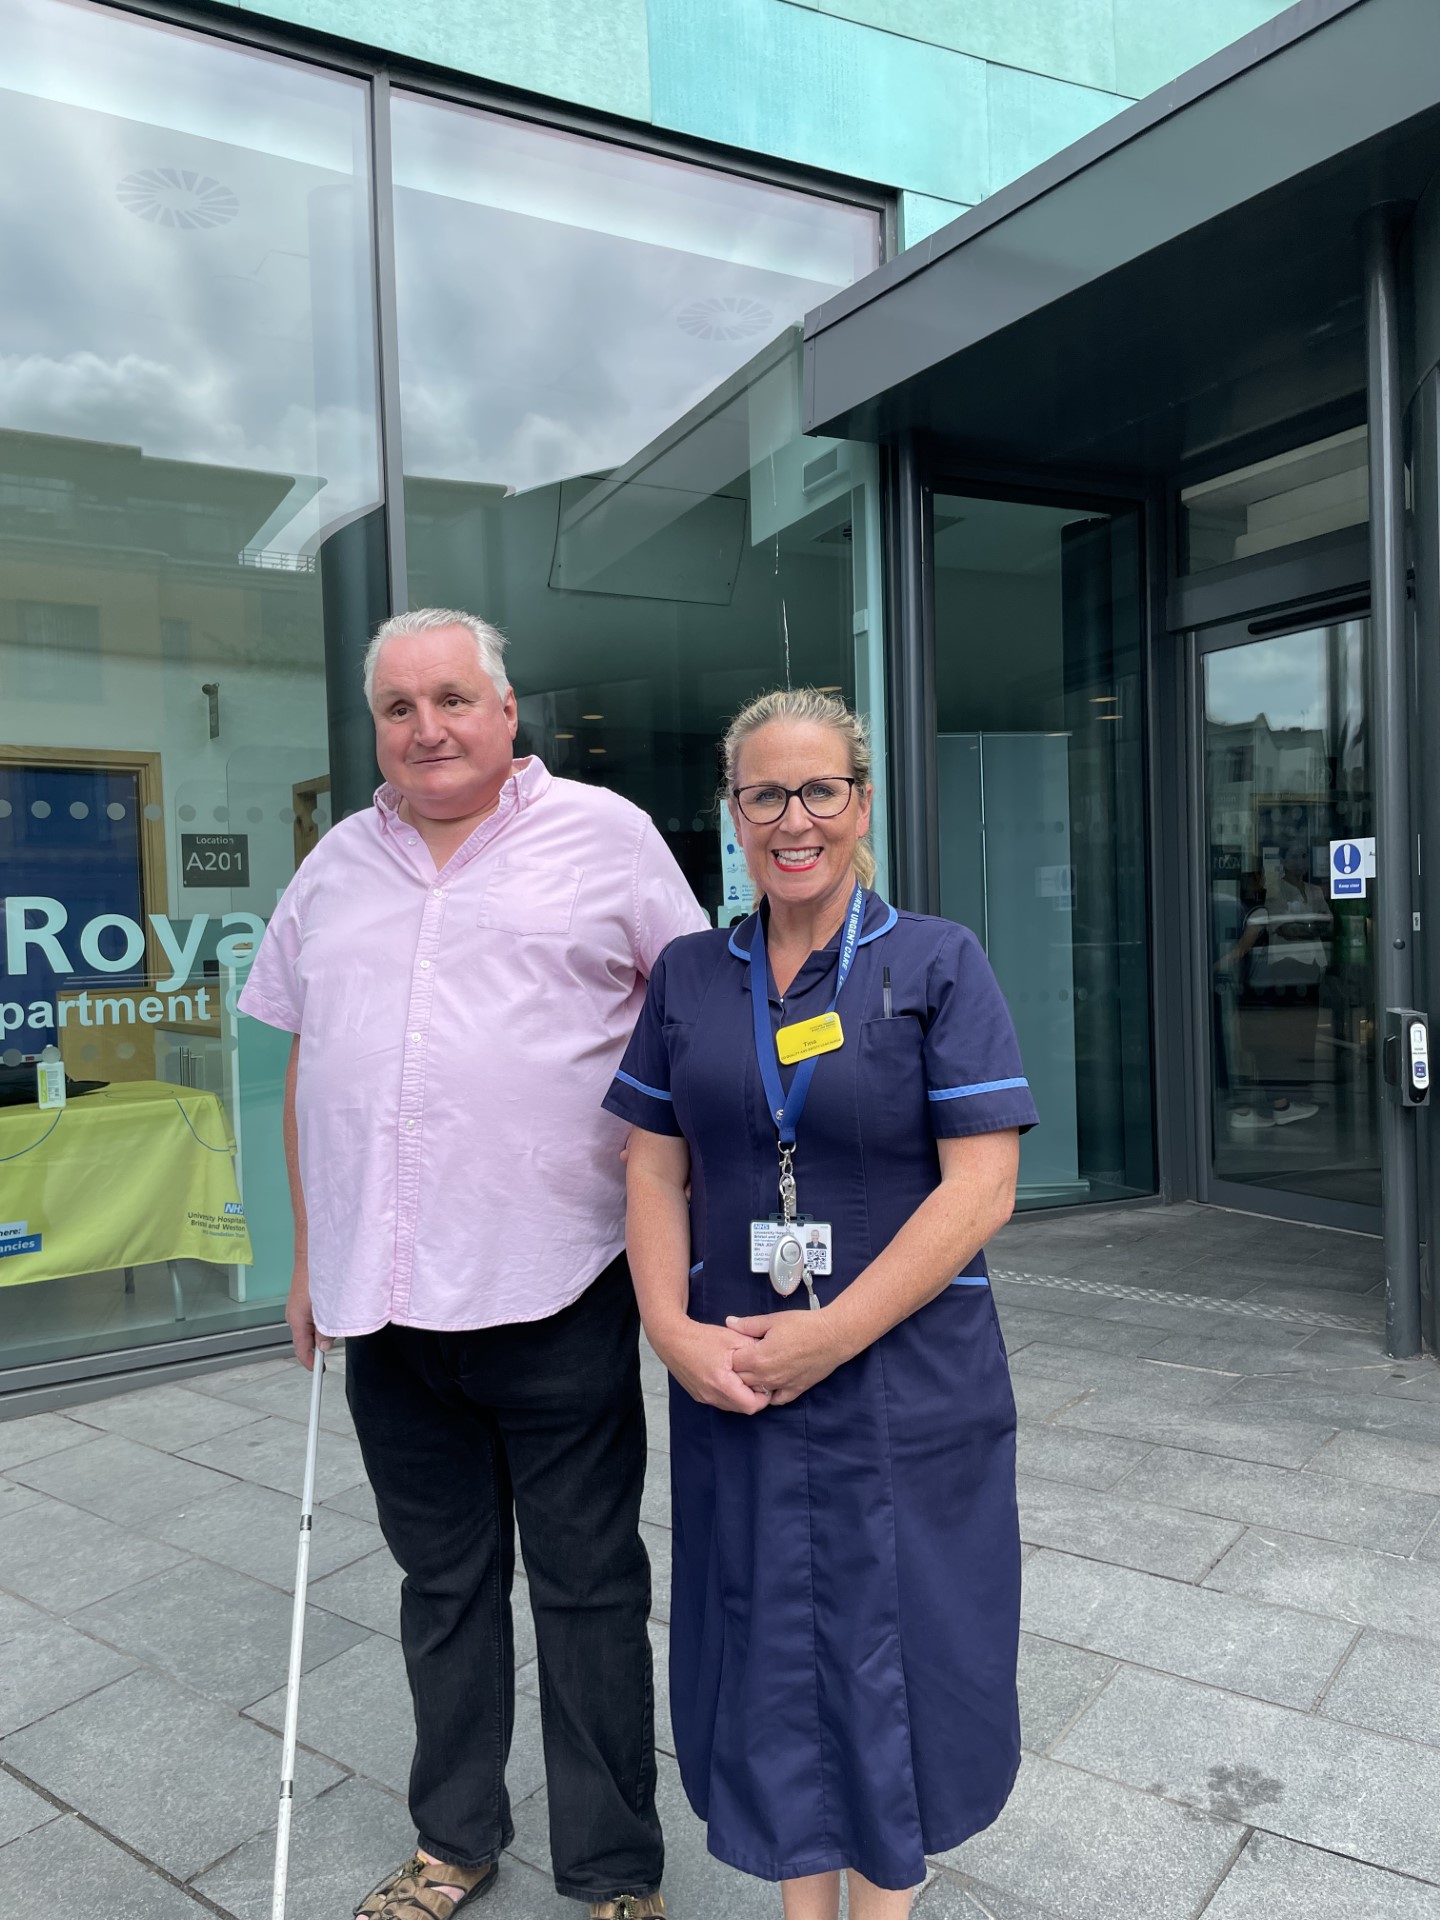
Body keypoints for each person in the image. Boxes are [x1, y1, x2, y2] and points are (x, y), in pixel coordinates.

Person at [237, 607, 706, 1920]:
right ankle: (454, 1841)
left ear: (506, 711)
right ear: (375, 726)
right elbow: (311, 1071)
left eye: (452, 699)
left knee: (588, 1587)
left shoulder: (606, 835)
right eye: (400, 707)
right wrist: (310, 1259)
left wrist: (688, 1247)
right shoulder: (335, 864)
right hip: (386, 1306)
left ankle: (613, 1870)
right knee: (440, 1588)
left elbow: (689, 1030)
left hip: (558, 1282)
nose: (427, 728)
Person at [603, 688, 1036, 1919]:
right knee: (770, 1643)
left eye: (820, 790)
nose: (793, 820)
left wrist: (835, 1333)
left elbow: (984, 1186)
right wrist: (669, 1330)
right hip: (738, 1370)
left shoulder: (936, 962)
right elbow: (653, 1169)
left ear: (862, 802)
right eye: (764, 795)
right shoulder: (692, 975)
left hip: (907, 1378)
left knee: (901, 1638)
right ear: (732, 812)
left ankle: (888, 1900)